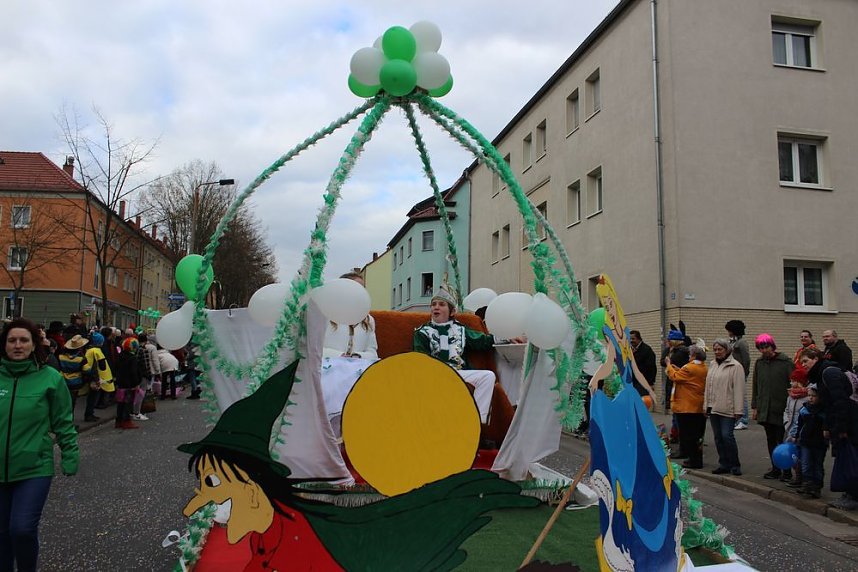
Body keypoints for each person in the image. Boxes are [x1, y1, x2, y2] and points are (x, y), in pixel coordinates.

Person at [0, 318, 78, 571]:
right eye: (12, 340)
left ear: (34, 345)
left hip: (34, 467)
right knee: (2, 535)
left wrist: (70, 454)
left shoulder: (50, 378)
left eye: (24, 340)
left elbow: (63, 421)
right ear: (4, 345)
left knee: (21, 529)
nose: (18, 345)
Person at [413, 285, 509, 423]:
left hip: (459, 373)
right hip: (434, 375)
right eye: (433, 304)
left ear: (451, 311)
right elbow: (419, 359)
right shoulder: (422, 332)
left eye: (441, 304)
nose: (436, 307)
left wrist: (508, 337)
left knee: (488, 376)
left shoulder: (461, 330)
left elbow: (483, 341)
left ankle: (476, 422)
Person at [320, 272, 379, 433]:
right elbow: (314, 348)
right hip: (330, 369)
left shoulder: (368, 319)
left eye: (363, 289)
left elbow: (373, 351)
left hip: (360, 367)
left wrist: (358, 356)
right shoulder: (325, 315)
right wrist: (339, 356)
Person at [751, 333, 794, 480]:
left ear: (772, 346)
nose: (764, 351)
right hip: (765, 408)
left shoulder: (785, 362)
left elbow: (793, 384)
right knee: (771, 440)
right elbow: (756, 385)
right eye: (761, 348)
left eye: (766, 347)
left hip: (781, 407)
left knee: (782, 440)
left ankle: (787, 471)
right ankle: (775, 468)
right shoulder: (759, 363)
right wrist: (755, 406)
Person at [703, 338, 745, 476]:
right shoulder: (713, 364)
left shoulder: (736, 366)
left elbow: (739, 389)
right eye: (715, 349)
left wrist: (739, 410)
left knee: (727, 436)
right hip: (713, 406)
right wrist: (706, 405)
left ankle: (735, 464)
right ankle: (724, 463)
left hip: (728, 407)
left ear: (727, 350)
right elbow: (708, 387)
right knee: (718, 437)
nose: (717, 352)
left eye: (720, 349)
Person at [666, 344, 708, 469]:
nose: (689, 356)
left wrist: (669, 365)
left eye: (690, 354)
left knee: (688, 435)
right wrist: (677, 368)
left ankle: (693, 460)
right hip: (698, 405)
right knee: (697, 435)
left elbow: (675, 377)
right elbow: (687, 377)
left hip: (686, 406)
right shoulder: (704, 367)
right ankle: (695, 458)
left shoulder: (690, 367)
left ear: (694, 355)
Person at [788, 384, 827, 499]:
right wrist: (795, 436)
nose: (810, 398)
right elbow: (799, 424)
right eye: (809, 395)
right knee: (805, 464)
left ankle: (816, 486)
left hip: (819, 443)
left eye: (814, 396)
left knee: (817, 465)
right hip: (805, 441)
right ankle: (807, 484)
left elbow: (827, 426)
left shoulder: (823, 411)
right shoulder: (804, 410)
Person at [57, 335, 92, 422]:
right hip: (75, 383)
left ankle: (62, 420)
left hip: (63, 380)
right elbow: (87, 370)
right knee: (72, 403)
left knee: (63, 403)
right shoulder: (80, 358)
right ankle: (69, 422)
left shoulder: (61, 355)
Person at [82, 332, 114, 422]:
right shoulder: (97, 351)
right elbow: (102, 366)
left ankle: (89, 413)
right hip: (95, 376)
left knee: (91, 396)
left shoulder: (89, 350)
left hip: (88, 374)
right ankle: (89, 414)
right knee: (93, 396)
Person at [725, 320, 751, 431]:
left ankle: (743, 420)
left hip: (739, 372)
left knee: (741, 396)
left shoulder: (742, 343)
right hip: (731, 372)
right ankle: (736, 418)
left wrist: (744, 372)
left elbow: (746, 359)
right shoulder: (732, 342)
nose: (728, 332)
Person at [114, 338, 143, 429]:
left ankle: (118, 420)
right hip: (130, 384)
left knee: (120, 402)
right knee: (128, 403)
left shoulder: (120, 356)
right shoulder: (132, 358)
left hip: (121, 383)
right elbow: (133, 372)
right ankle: (126, 421)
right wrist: (136, 383)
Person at [132, 333, 160, 421]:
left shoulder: (135, 348)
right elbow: (152, 361)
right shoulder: (149, 348)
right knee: (143, 392)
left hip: (137, 374)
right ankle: (139, 411)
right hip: (147, 372)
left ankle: (136, 410)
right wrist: (157, 371)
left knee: (137, 392)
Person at [630, 330, 657, 399]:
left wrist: (650, 383)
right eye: (629, 339)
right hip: (632, 381)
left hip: (643, 382)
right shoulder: (630, 350)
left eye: (633, 339)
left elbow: (652, 368)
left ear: (639, 339)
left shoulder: (647, 350)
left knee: (642, 402)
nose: (631, 341)